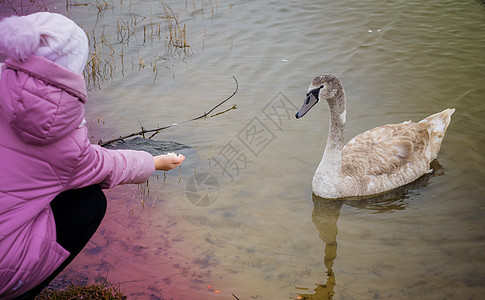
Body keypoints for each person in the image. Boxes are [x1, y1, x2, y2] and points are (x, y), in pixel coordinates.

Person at [0, 12, 185, 299]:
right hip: (3, 270)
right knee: (89, 201)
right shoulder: (64, 141)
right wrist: (154, 161)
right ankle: (19, 290)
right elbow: (108, 166)